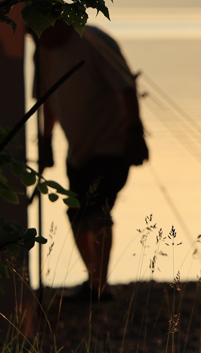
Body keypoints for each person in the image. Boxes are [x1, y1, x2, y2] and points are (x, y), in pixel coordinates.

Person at [35, 21, 149, 302]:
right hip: (78, 149)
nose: (36, 37)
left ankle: (100, 285)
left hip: (111, 144)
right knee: (75, 213)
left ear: (59, 21)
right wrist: (46, 140)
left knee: (97, 210)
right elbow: (46, 99)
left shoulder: (94, 41)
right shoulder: (42, 49)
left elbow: (125, 88)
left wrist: (135, 131)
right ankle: (93, 280)